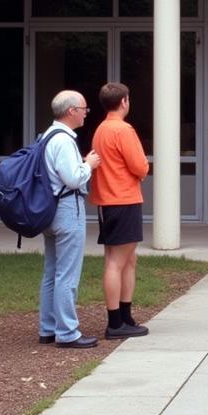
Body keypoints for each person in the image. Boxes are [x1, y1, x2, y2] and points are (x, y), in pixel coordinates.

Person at [38, 90, 101, 349]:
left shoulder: (45, 136)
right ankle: (68, 332)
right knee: (67, 274)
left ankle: (48, 328)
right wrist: (89, 164)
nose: (86, 113)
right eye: (84, 108)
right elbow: (73, 178)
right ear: (71, 111)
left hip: (49, 211)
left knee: (51, 272)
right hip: (67, 210)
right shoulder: (63, 141)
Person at [90, 81, 150, 339]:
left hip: (107, 200)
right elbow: (140, 166)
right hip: (123, 199)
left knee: (127, 259)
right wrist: (144, 167)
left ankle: (125, 316)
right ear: (124, 101)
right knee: (116, 262)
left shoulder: (101, 129)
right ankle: (115, 322)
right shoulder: (124, 130)